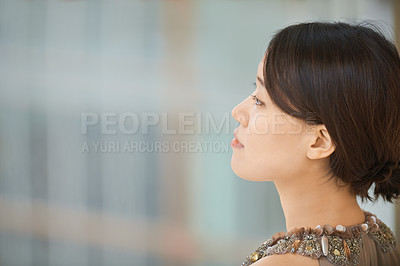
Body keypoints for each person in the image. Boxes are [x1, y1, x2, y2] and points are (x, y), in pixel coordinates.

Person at [231, 21, 400, 266]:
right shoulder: (382, 240)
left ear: (319, 141)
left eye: (260, 101)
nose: (238, 112)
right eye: (253, 91)